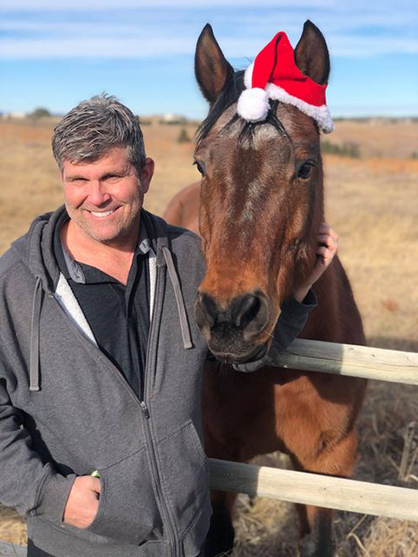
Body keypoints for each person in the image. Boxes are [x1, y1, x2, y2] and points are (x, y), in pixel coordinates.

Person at [0, 94, 338, 557]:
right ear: (62, 179)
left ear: (145, 174)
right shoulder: (15, 285)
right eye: (78, 179)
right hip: (74, 546)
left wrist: (301, 290)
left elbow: (236, 354)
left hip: (186, 540)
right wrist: (50, 495)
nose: (95, 196)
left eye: (112, 176)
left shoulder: (186, 259)